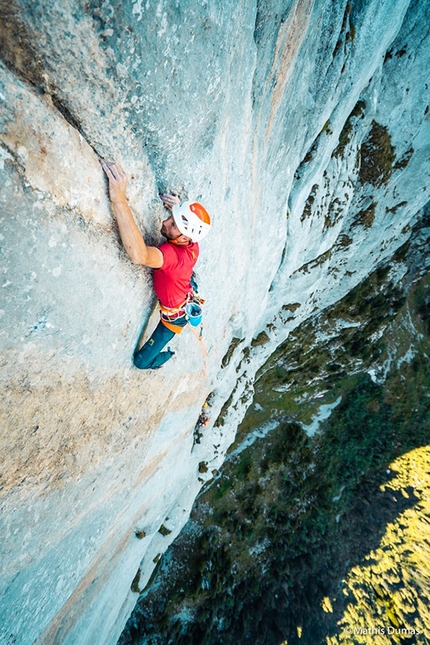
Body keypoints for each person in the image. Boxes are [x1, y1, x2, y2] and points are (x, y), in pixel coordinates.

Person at [101, 161, 211, 369]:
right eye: (171, 218)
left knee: (141, 362)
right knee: (189, 279)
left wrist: (119, 199)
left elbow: (139, 255)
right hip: (187, 288)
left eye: (173, 224)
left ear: (184, 236)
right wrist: (178, 207)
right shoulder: (193, 244)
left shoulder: (170, 256)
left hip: (175, 318)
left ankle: (166, 356)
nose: (165, 223)